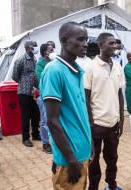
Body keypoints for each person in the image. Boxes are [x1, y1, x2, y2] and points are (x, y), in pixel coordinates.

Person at [40, 22, 92, 190]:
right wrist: (71, 160)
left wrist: (88, 144)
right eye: (80, 39)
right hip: (71, 160)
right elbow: (52, 122)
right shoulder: (54, 71)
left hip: (80, 154)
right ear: (64, 41)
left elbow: (78, 113)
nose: (85, 44)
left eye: (86, 39)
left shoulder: (77, 70)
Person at [84, 33, 124, 190]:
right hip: (97, 124)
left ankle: (111, 184)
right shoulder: (90, 67)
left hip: (113, 123)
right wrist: (91, 121)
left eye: (115, 43)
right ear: (100, 45)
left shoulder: (118, 66)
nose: (114, 46)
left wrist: (121, 119)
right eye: (111, 43)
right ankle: (93, 187)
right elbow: (86, 98)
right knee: (93, 160)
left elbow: (120, 94)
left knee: (112, 158)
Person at [12, 41, 40, 147]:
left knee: (36, 114)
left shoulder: (34, 59)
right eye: (34, 46)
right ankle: (25, 138)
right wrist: (24, 83)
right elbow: (14, 76)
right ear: (29, 47)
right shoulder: (20, 60)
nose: (36, 48)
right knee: (25, 116)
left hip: (33, 92)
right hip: (24, 92)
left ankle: (35, 134)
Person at [35, 43, 55, 154]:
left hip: (54, 96)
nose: (53, 52)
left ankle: (54, 141)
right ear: (45, 53)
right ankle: (45, 143)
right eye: (51, 50)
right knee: (45, 121)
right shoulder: (40, 64)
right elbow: (41, 78)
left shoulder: (53, 62)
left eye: (53, 49)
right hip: (43, 96)